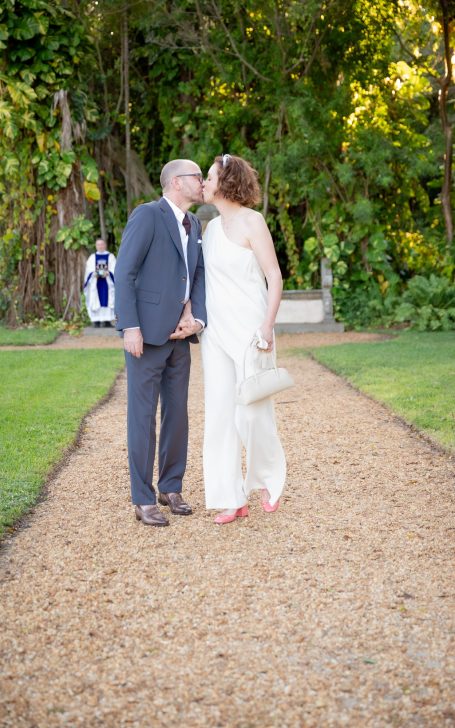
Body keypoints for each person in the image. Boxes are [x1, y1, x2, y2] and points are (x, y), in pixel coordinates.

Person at [115, 159, 206, 527]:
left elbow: (196, 274)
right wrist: (130, 327)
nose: (202, 183)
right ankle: (142, 498)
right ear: (175, 182)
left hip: (179, 338)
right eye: (197, 177)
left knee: (177, 415)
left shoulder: (195, 223)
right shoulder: (147, 215)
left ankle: (171, 487)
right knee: (142, 418)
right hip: (146, 337)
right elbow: (125, 271)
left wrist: (194, 316)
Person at [200, 153, 286, 524]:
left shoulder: (253, 221)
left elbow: (274, 276)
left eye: (208, 176)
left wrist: (267, 327)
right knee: (219, 414)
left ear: (226, 182)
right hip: (216, 334)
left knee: (252, 412)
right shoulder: (210, 229)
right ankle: (231, 497)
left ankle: (269, 479)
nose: (203, 182)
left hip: (252, 330)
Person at [84, 238, 116, 327]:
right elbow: (89, 271)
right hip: (96, 282)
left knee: (108, 299)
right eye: (98, 245)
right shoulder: (92, 257)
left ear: (105, 245)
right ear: (96, 246)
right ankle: (96, 321)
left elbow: (114, 269)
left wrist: (108, 273)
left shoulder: (110, 256)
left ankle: (107, 321)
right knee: (95, 299)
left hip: (107, 282)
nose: (100, 246)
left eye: (102, 244)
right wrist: (95, 274)